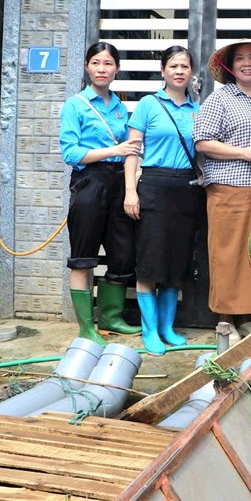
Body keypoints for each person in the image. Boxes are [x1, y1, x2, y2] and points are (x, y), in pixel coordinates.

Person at [192, 39, 251, 342]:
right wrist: (242, 152)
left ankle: (249, 317)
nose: (247, 63)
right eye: (240, 58)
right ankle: (227, 319)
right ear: (230, 66)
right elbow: (202, 142)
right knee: (227, 255)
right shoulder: (220, 99)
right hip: (227, 190)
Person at [59, 42, 142, 346]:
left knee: (122, 251)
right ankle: (86, 327)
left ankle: (111, 318)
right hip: (89, 182)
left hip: (119, 181)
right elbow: (71, 153)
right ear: (86, 67)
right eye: (96, 63)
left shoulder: (119, 106)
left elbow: (131, 148)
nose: (102, 69)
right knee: (83, 255)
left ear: (116, 69)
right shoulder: (75, 105)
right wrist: (114, 150)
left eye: (108, 64)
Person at [122, 46, 203, 355]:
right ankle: (150, 331)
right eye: (173, 65)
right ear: (163, 71)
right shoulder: (148, 104)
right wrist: (131, 190)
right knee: (150, 264)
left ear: (191, 72)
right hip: (154, 185)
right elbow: (132, 152)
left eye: (184, 66)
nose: (179, 71)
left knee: (176, 264)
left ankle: (168, 328)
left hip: (186, 188)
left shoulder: (196, 109)